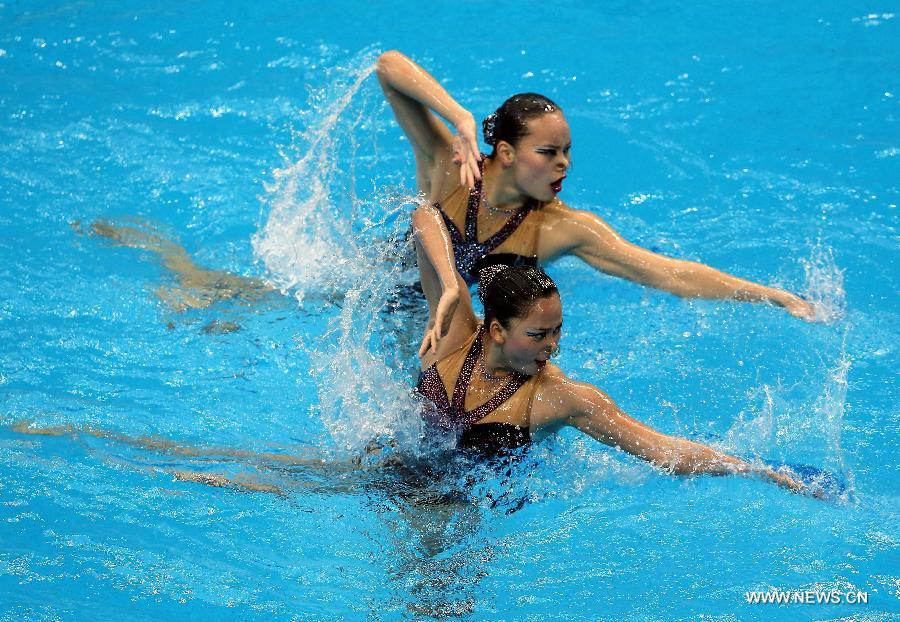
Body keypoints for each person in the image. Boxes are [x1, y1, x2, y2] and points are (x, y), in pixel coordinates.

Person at [375, 50, 817, 324]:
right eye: (548, 152)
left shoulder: (562, 228)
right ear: (506, 153)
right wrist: (460, 117)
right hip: (375, 284)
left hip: (438, 323)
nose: (563, 164)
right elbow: (389, 66)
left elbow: (667, 273)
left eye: (567, 151)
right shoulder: (451, 168)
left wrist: (773, 297)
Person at [412, 206, 808, 493]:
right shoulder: (455, 333)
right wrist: (449, 284)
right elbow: (423, 215)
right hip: (396, 468)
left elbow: (661, 449)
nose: (553, 347)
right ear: (497, 330)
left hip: (462, 508)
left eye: (557, 332)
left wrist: (750, 469)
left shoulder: (558, 397)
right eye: (538, 335)